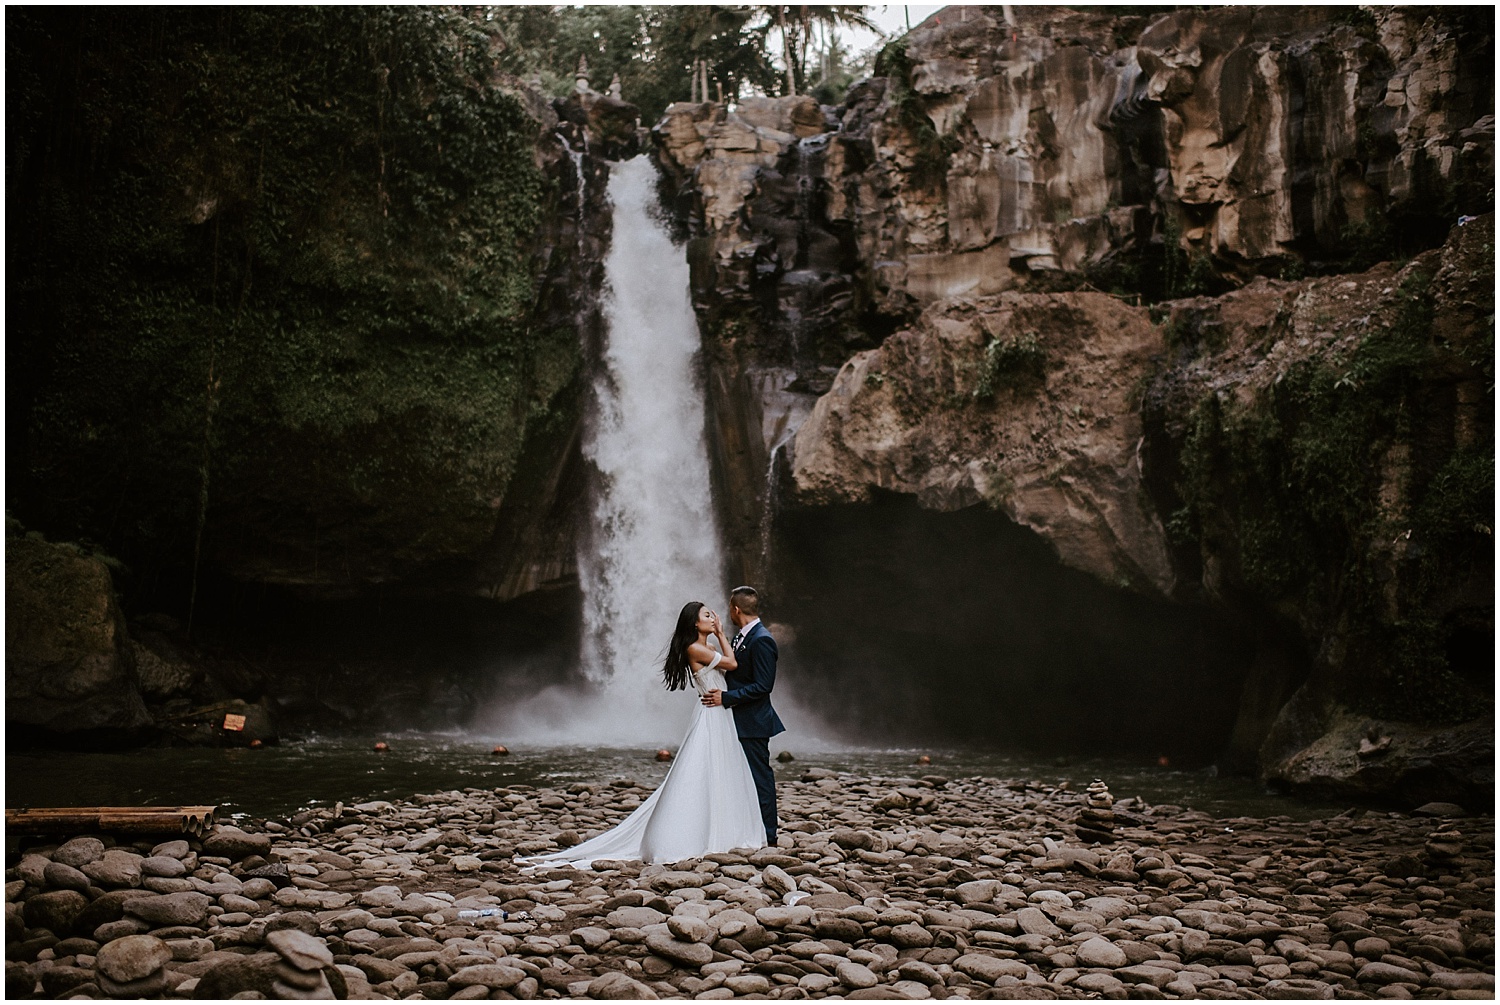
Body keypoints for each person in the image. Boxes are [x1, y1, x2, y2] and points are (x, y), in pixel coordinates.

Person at [519, 601, 765, 868]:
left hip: (719, 711)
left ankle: (722, 828)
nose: (713, 617)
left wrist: (717, 638)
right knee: (702, 769)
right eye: (707, 615)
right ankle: (686, 835)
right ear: (695, 622)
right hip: (711, 713)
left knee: (720, 769)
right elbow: (731, 664)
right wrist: (720, 633)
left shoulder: (708, 648)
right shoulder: (695, 648)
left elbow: (730, 664)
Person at [701, 586, 785, 845]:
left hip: (754, 722)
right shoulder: (742, 636)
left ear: (735, 609)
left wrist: (726, 698)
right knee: (741, 778)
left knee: (760, 779)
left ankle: (768, 836)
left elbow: (763, 686)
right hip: (737, 721)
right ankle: (746, 830)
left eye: (729, 608)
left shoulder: (762, 639)